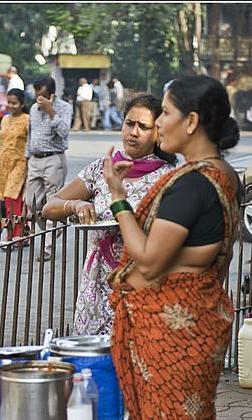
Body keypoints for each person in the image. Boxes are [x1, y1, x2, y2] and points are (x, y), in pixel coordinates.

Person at [104, 75, 241, 420]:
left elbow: (147, 259)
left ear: (191, 121)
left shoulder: (191, 184)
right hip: (197, 331)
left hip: (173, 343)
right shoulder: (222, 174)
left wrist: (118, 198)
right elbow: (196, 255)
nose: (157, 122)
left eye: (164, 113)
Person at [41, 94, 175, 335]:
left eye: (143, 127)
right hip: (97, 279)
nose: (134, 132)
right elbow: (49, 207)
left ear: (158, 133)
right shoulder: (101, 169)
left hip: (141, 279)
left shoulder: (167, 178)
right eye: (129, 123)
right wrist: (75, 205)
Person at [24, 75, 72, 257]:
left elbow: (64, 132)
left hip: (53, 159)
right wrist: (27, 159)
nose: (39, 99)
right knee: (31, 202)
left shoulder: (64, 108)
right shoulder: (33, 109)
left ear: (52, 94)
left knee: (52, 201)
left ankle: (47, 248)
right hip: (35, 159)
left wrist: (50, 110)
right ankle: (53, 228)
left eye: (43, 96)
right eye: (37, 95)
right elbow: (30, 135)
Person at [0, 89, 29, 243]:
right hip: (3, 165)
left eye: (14, 103)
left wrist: (28, 167)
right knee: (16, 201)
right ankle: (24, 232)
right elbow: (1, 144)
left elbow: (30, 144)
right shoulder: (4, 119)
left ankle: (12, 236)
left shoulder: (27, 120)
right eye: (9, 102)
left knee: (11, 200)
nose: (11, 106)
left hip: (20, 164)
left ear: (22, 104)